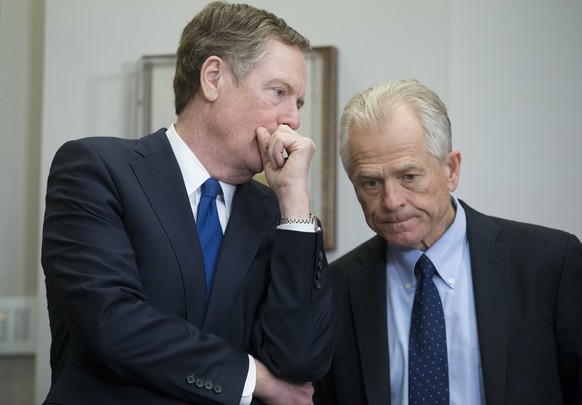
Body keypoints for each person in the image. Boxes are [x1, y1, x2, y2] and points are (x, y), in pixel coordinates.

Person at [41, 2, 333, 404]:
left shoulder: (275, 213)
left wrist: (296, 205)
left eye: (298, 103)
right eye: (279, 92)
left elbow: (300, 361)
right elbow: (113, 322)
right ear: (213, 78)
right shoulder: (96, 169)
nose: (293, 120)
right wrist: (254, 380)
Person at [314, 79, 582, 404]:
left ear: (451, 169)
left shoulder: (550, 263)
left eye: (409, 176)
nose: (391, 201)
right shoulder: (336, 286)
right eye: (371, 182)